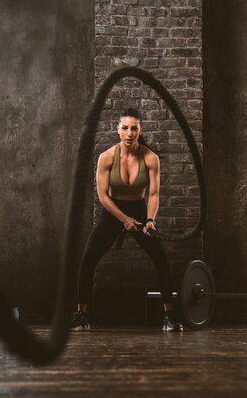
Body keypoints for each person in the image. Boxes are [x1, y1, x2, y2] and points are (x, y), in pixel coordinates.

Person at [70, 108, 184, 332]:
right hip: (113, 212)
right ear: (117, 130)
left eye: (134, 128)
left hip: (139, 211)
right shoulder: (106, 157)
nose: (129, 133)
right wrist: (123, 219)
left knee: (161, 259)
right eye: (125, 128)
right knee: (88, 259)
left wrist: (150, 220)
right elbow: (103, 196)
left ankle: (170, 315)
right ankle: (81, 315)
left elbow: (153, 194)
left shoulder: (151, 158)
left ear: (140, 130)